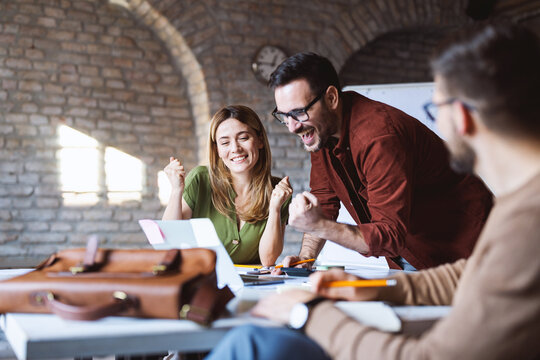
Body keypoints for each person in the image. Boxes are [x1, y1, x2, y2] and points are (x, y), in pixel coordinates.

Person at [205, 23, 540, 359]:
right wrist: (369, 287)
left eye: (436, 109)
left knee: (251, 343)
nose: (292, 125)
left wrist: (309, 312)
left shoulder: (526, 222)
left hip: (443, 249)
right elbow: (469, 276)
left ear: (462, 116)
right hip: (424, 266)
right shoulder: (520, 204)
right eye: (284, 116)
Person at [269, 52, 493, 271]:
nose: (292, 126)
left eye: (298, 112)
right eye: (284, 115)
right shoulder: (320, 133)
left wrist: (320, 226)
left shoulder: (378, 137)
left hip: (473, 250)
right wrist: (305, 258)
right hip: (412, 253)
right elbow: (325, 202)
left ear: (331, 98)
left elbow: (389, 236)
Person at [162, 105, 292, 266]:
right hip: (202, 281)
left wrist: (275, 208)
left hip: (250, 287)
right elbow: (170, 240)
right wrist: (176, 191)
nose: (235, 149)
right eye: (225, 142)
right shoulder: (200, 179)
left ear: (259, 140)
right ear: (217, 149)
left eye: (243, 138)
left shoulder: (278, 191)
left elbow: (268, 260)